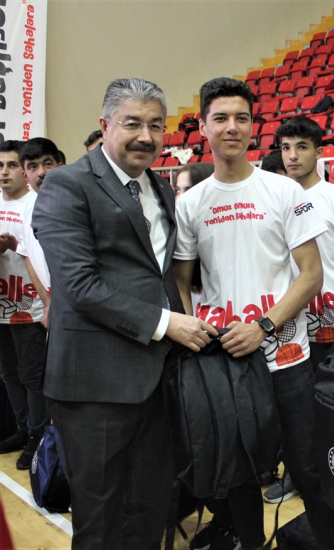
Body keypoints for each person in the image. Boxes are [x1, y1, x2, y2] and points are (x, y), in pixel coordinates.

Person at [33, 78, 217, 550]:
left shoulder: (158, 187)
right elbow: (79, 286)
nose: (146, 136)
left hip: (158, 381)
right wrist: (166, 323)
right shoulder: (67, 184)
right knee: (100, 519)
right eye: (132, 123)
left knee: (152, 507)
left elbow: (162, 275)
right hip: (94, 385)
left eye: (156, 126)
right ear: (105, 125)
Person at [173, 78, 334, 550]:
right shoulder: (190, 203)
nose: (232, 127)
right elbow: (182, 283)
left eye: (242, 118)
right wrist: (196, 333)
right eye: (221, 118)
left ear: (253, 126)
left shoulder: (284, 191)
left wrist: (264, 326)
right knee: (240, 475)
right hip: (226, 365)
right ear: (204, 127)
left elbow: (311, 275)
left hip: (286, 357)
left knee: (310, 472)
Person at [277, 116, 334, 368]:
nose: (292, 156)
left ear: (319, 152)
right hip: (284, 318)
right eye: (286, 147)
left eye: (301, 147)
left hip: (331, 321)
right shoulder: (274, 199)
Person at [0, 140, 49, 470]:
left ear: (25, 169)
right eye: (0, 166)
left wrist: (16, 246)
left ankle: (37, 436)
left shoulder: (37, 204)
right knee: (9, 374)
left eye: (11, 165)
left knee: (32, 376)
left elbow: (42, 255)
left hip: (30, 306)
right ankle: (21, 429)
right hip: (1, 306)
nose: (4, 172)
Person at [15, 137, 63, 332]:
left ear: (60, 167)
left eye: (47, 164)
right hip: (55, 303)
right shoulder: (27, 208)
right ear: (25, 176)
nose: (41, 172)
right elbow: (29, 257)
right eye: (33, 167)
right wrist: (48, 302)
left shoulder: (77, 203)